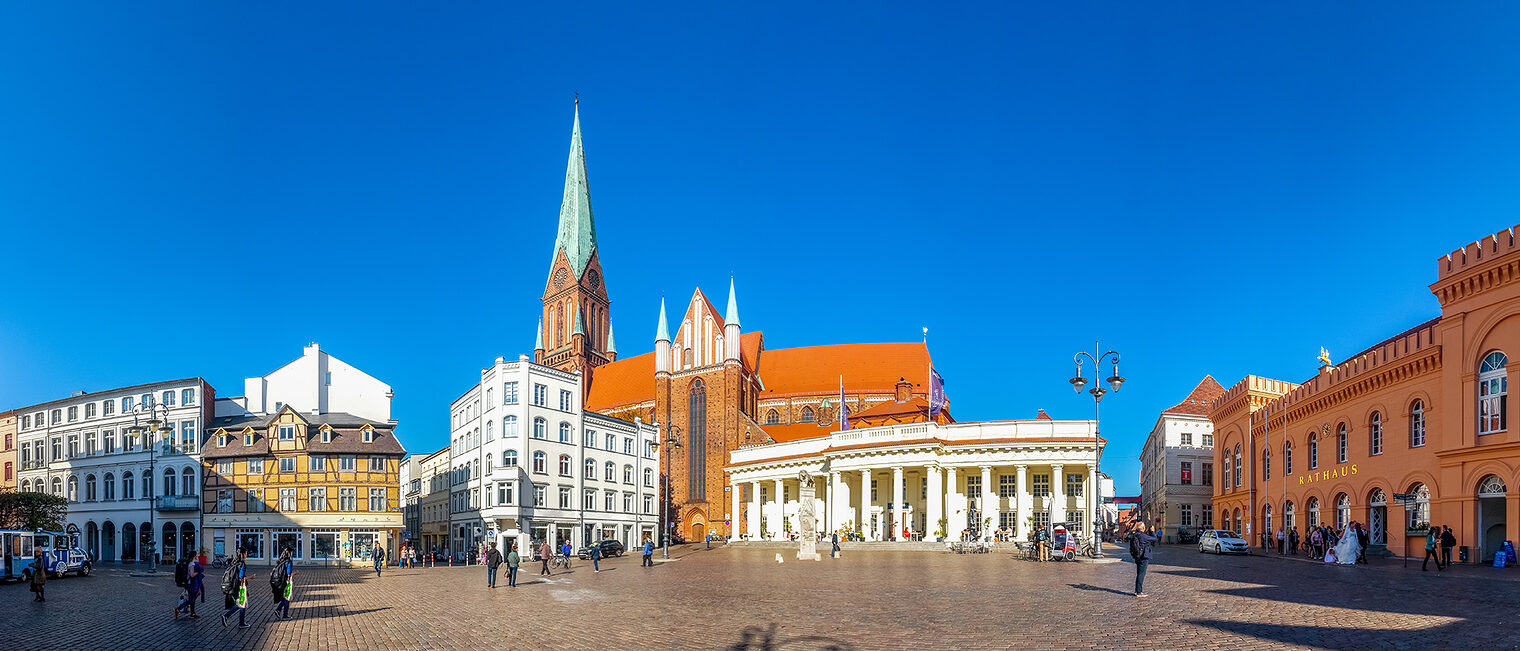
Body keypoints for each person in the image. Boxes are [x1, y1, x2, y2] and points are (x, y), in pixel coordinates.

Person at [1126, 521, 1160, 598]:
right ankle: (1139, 592)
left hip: (1137, 556)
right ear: (1143, 528)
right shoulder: (1143, 536)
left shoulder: (1136, 535)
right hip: (1143, 557)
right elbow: (1155, 539)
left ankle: (1137, 590)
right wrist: (1152, 531)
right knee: (1141, 574)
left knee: (1139, 574)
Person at [222, 548, 249, 629]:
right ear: (244, 554)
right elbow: (241, 578)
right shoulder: (242, 564)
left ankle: (241, 622)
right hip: (239, 587)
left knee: (242, 604)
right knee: (240, 604)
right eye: (246, 553)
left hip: (232, 587)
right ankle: (226, 616)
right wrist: (250, 577)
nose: (246, 554)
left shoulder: (234, 563)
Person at [270, 548, 296, 620]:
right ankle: (285, 615)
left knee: (285, 597)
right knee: (287, 598)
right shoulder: (289, 562)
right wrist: (295, 573)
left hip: (279, 582)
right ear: (289, 553)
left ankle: (278, 610)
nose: (292, 553)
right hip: (285, 582)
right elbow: (288, 574)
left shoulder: (281, 561)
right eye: (291, 552)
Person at [174, 554, 201, 618]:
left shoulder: (189, 563)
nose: (198, 556)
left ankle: (192, 613)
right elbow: (191, 575)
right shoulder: (191, 564)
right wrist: (198, 572)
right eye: (196, 555)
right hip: (190, 584)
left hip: (188, 583)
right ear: (194, 556)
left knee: (193, 598)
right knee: (191, 599)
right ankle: (178, 609)